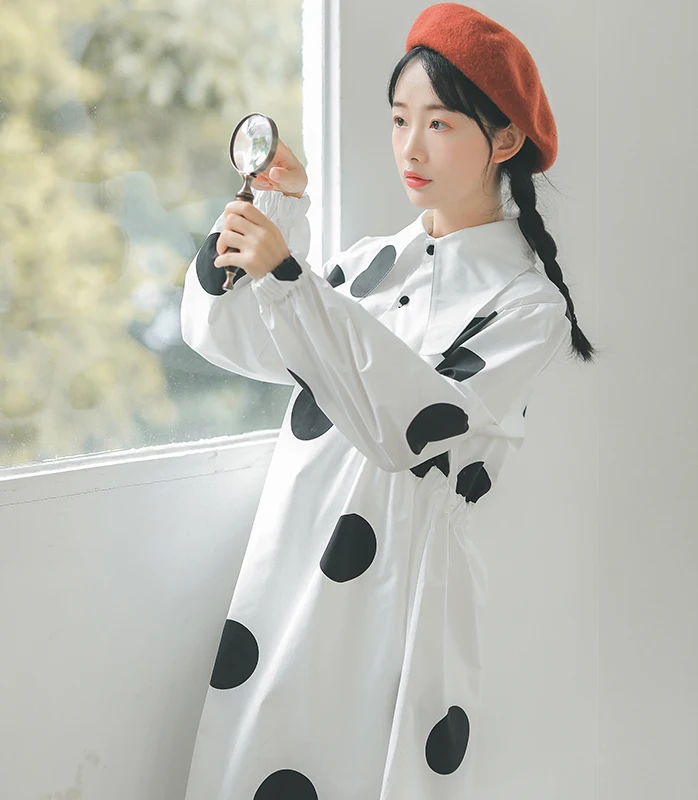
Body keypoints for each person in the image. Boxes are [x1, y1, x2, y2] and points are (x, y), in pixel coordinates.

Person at [180, 3, 595, 798]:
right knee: (259, 760)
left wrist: (290, 277)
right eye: (400, 118)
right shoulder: (370, 266)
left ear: (506, 139)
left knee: (364, 766)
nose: (410, 146)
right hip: (293, 556)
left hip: (398, 588)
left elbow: (407, 428)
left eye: (440, 123)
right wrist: (276, 213)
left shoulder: (525, 306)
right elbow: (227, 337)